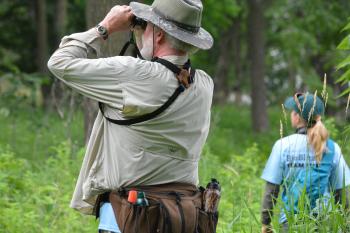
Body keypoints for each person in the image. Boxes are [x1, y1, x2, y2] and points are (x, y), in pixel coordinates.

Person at [47, 0, 216, 232]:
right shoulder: (204, 84)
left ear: (158, 35)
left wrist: (105, 27)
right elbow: (166, 72)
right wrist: (145, 31)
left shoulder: (133, 74)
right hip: (185, 215)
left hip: (129, 217)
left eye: (146, 26)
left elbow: (59, 62)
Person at [260, 92, 350, 233]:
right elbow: (342, 193)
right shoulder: (332, 148)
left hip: (290, 222)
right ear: (318, 117)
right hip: (323, 222)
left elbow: (271, 190)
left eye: (292, 112)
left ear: (296, 118)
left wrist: (266, 222)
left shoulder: (283, 146)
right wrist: (346, 223)